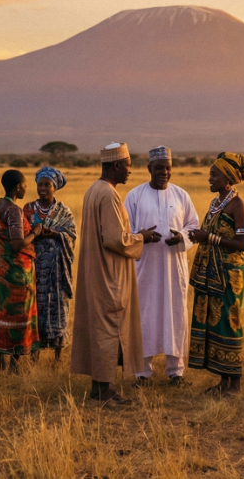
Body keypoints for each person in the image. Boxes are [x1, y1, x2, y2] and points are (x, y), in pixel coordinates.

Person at [71, 143, 159, 403]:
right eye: (129, 165)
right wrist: (141, 237)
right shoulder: (109, 194)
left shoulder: (93, 189)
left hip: (95, 271)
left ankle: (99, 389)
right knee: (109, 329)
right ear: (117, 165)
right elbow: (114, 239)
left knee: (100, 328)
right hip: (109, 273)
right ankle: (105, 390)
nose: (131, 171)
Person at [125, 146, 200, 385]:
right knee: (144, 317)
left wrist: (182, 238)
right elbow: (124, 232)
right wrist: (142, 236)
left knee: (175, 315)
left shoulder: (181, 195)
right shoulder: (134, 196)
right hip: (145, 269)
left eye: (168, 168)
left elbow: (193, 226)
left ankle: (175, 372)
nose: (164, 172)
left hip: (173, 267)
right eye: (159, 168)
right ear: (149, 169)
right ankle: (142, 373)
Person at [188, 152, 244, 397]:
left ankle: (235, 384)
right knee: (215, 323)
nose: (209, 179)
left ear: (228, 178)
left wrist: (209, 238)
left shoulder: (238, 204)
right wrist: (199, 236)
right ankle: (223, 381)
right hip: (211, 274)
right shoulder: (216, 203)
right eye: (209, 175)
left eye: (214, 175)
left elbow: (243, 244)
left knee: (229, 321)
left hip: (229, 275)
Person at [0, 169, 39, 373]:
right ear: (18, 187)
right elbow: (17, 243)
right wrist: (35, 232)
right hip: (17, 273)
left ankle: (1, 359)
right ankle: (15, 364)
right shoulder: (14, 210)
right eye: (25, 185)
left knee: (2, 313)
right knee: (18, 316)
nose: (27, 188)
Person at [25, 166, 77, 362]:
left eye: (48, 185)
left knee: (58, 307)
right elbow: (22, 232)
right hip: (34, 268)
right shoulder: (28, 209)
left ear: (55, 187)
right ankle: (34, 353)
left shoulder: (64, 212)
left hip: (57, 269)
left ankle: (58, 354)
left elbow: (72, 235)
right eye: (40, 184)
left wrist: (55, 234)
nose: (43, 188)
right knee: (34, 307)